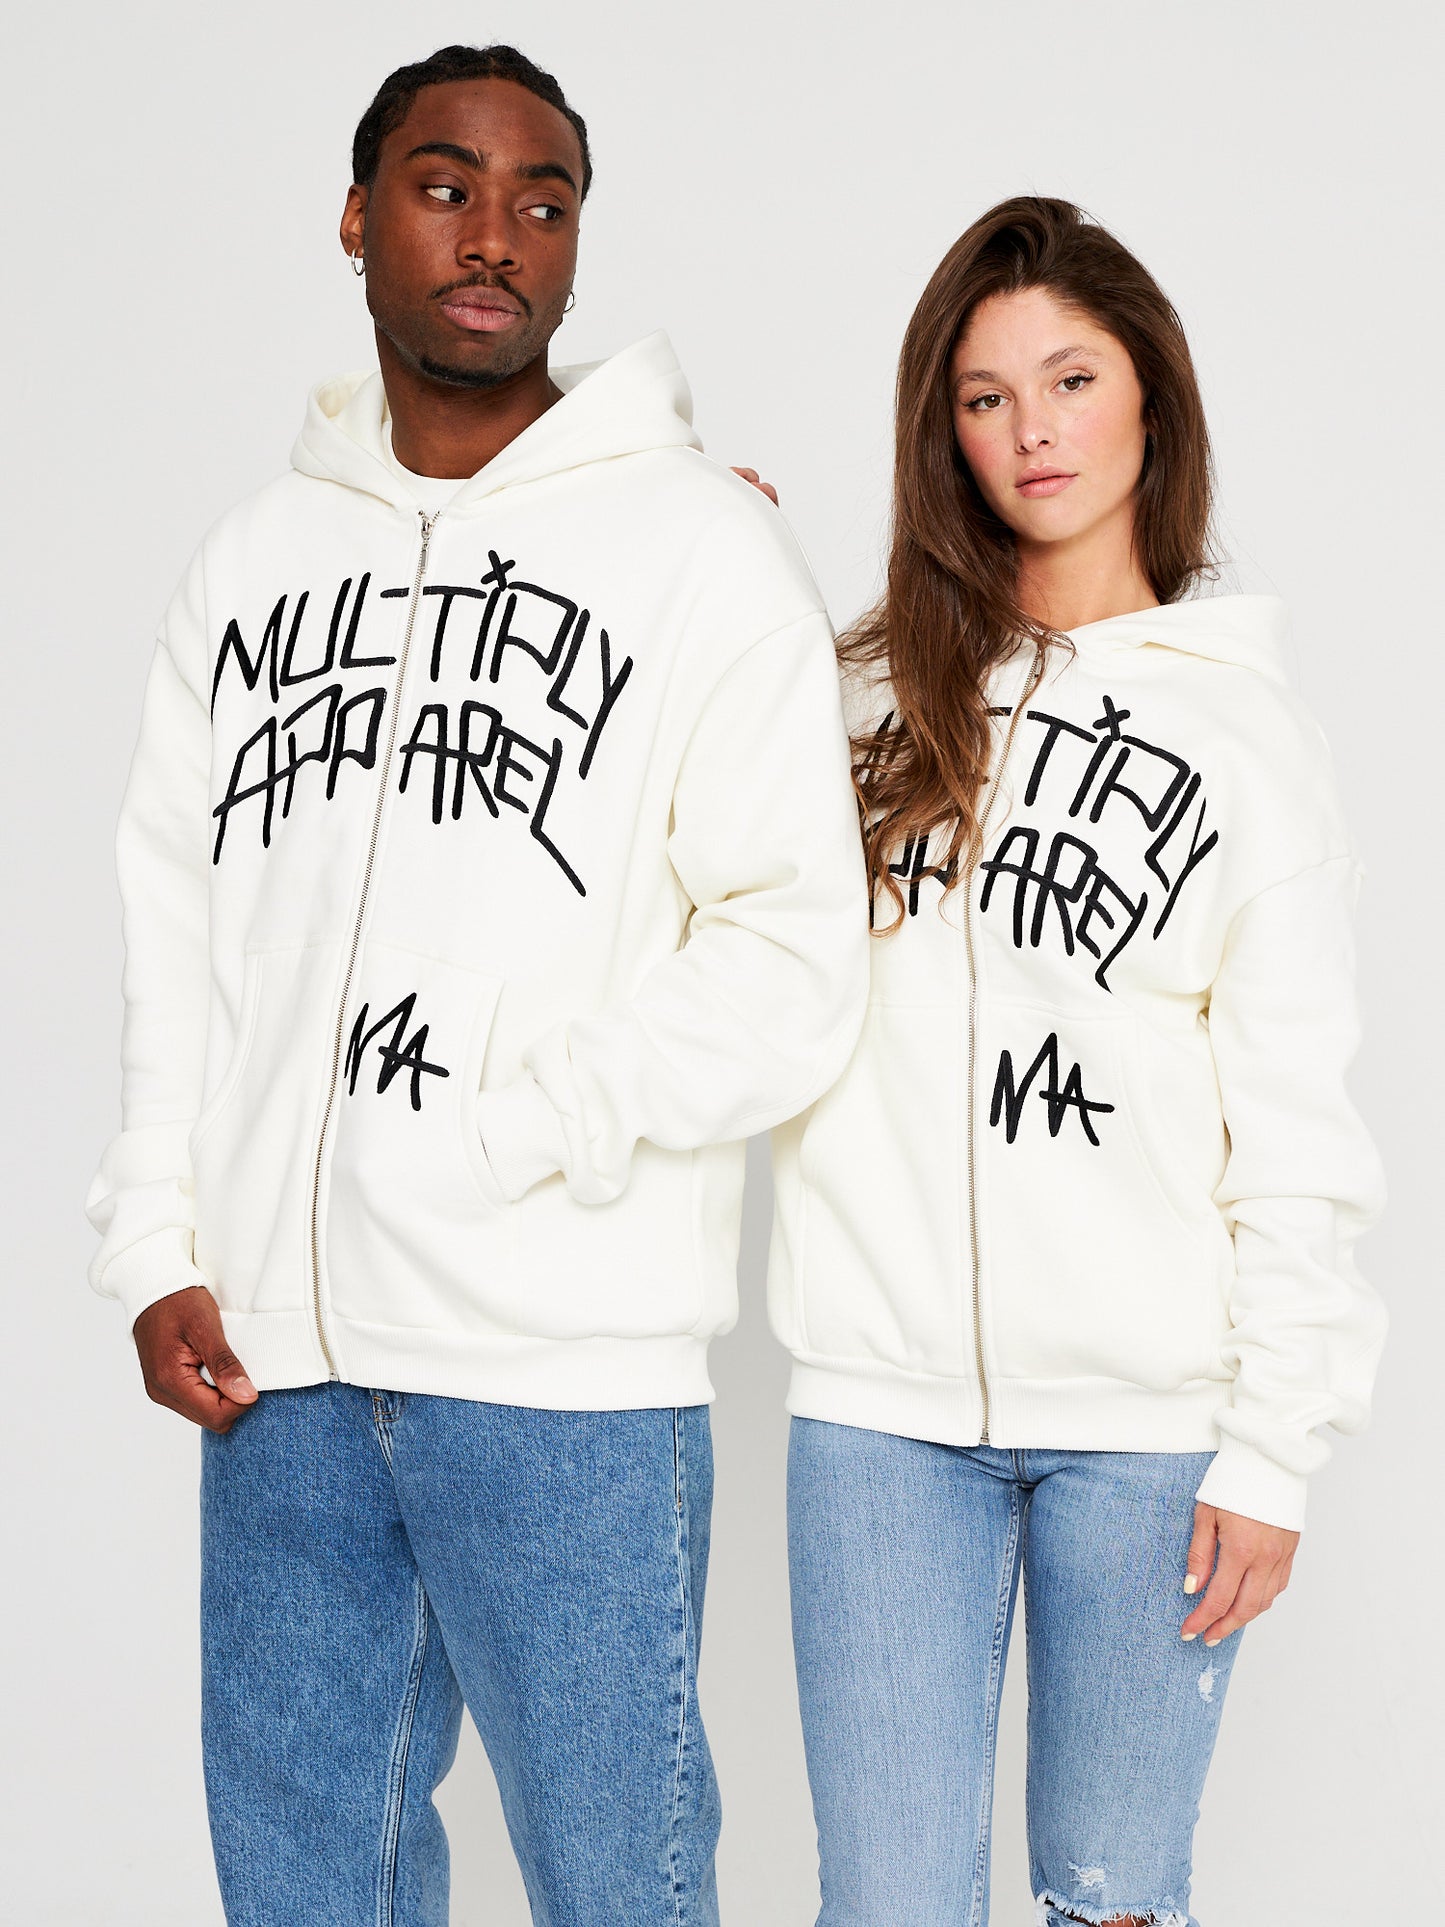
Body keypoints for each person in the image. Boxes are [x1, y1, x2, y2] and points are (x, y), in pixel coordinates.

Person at [85, 43, 867, 1927]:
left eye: (543, 201)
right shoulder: (251, 562)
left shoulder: (699, 549)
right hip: (275, 1359)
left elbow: (790, 958)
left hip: (560, 1364)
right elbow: (178, 928)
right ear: (358, 219)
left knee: (617, 1886)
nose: (496, 235)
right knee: (305, 1888)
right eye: (446, 188)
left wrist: (521, 1128)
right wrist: (157, 1239)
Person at [764, 198, 1386, 1926]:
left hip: (1148, 1433)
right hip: (877, 1420)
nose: (1031, 430)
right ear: (942, 434)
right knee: (882, 1905)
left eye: (1070, 379)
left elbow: (1295, 1122)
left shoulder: (1245, 737)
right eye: (983, 397)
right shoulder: (854, 702)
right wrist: (706, 580)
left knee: (1112, 1903)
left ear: (1149, 400)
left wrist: (1272, 1448)